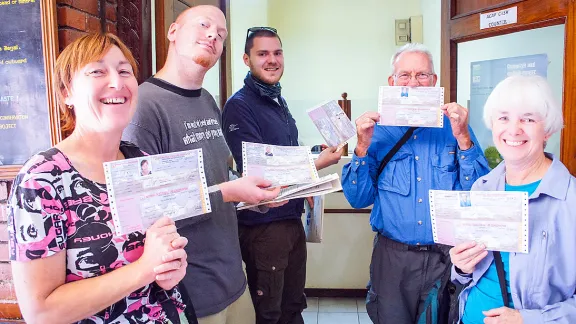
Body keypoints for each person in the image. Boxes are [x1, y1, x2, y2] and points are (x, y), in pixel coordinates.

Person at [8, 33, 189, 324]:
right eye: (97, 71)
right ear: (66, 93)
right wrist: (144, 268)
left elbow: (161, 253)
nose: (116, 82)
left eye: (124, 71)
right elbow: (41, 313)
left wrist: (169, 269)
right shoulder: (41, 180)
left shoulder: (140, 161)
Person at [122, 5, 280, 324]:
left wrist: (256, 193)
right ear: (173, 32)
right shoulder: (144, 107)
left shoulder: (207, 100)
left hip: (234, 281)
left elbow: (222, 176)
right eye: (204, 25)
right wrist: (230, 191)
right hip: (189, 295)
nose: (213, 35)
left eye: (221, 34)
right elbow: (145, 210)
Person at [341, 43, 490, 324]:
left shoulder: (456, 127)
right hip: (393, 259)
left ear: (434, 82)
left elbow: (479, 195)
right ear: (391, 83)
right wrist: (361, 147)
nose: (414, 83)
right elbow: (358, 199)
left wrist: (464, 140)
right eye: (405, 76)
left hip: (445, 259)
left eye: (422, 76)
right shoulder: (376, 131)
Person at [222, 27, 342, 324]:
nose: (272, 60)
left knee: (293, 307)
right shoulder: (239, 107)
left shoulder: (278, 101)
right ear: (246, 59)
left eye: (277, 53)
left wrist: (312, 158)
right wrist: (317, 166)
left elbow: (284, 155)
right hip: (264, 227)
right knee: (270, 314)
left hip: (290, 220)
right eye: (262, 54)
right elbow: (260, 175)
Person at [450, 75, 576, 324]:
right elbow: (469, 277)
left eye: (527, 119)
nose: (514, 130)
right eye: (504, 118)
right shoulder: (482, 189)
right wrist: (461, 268)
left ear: (547, 130)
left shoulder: (570, 200)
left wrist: (529, 320)